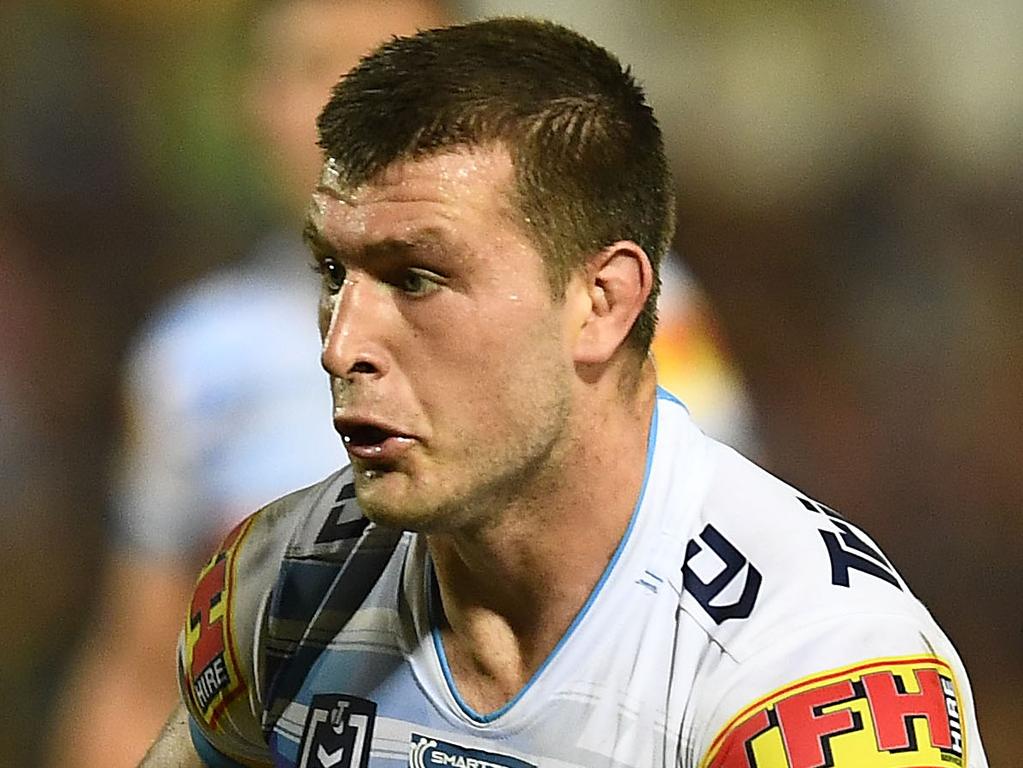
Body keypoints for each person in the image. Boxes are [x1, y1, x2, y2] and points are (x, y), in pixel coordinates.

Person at [140, 18, 988, 768]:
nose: (339, 344)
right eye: (333, 270)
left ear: (602, 303)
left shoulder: (807, 676)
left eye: (418, 277)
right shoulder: (278, 590)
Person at [45, 3, 450, 768]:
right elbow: (137, 670)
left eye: (321, 67)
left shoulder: (609, 314)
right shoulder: (198, 354)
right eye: (273, 73)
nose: (271, 107)